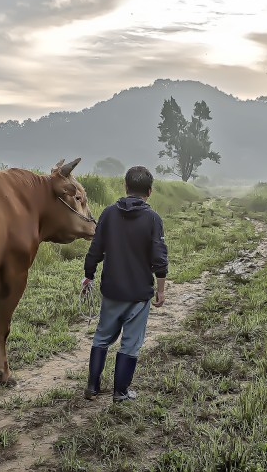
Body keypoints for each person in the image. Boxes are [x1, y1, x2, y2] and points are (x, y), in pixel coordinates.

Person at [82, 165, 168, 402]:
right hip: (139, 293)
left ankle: (92, 387)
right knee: (130, 343)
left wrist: (88, 274)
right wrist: (161, 290)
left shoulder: (109, 213)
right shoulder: (153, 219)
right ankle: (121, 392)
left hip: (112, 290)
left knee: (101, 337)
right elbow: (159, 258)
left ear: (126, 187)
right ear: (149, 191)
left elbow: (95, 249)